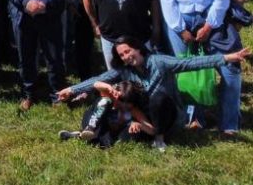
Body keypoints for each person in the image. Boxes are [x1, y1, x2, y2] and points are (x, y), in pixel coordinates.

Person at [57, 36, 250, 151]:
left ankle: (159, 138)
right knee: (115, 128)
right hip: (140, 117)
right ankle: (87, 133)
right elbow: (98, 79)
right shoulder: (124, 70)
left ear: (138, 48)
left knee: (158, 98)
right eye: (122, 55)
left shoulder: (159, 62)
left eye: (128, 51)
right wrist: (72, 90)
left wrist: (226, 58)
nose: (126, 56)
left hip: (166, 115)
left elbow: (190, 63)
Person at [158, 0, 231, 130]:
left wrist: (209, 24)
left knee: (201, 66)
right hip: (178, 21)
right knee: (181, 67)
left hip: (207, 20)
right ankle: (182, 115)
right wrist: (180, 28)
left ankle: (198, 116)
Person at [58, 81, 155, 148]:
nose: (121, 104)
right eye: (120, 99)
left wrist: (139, 125)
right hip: (93, 122)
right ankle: (90, 129)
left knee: (110, 143)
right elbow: (95, 84)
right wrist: (109, 88)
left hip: (108, 132)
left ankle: (78, 136)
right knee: (105, 101)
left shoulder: (133, 110)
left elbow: (152, 131)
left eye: (126, 102)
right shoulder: (109, 97)